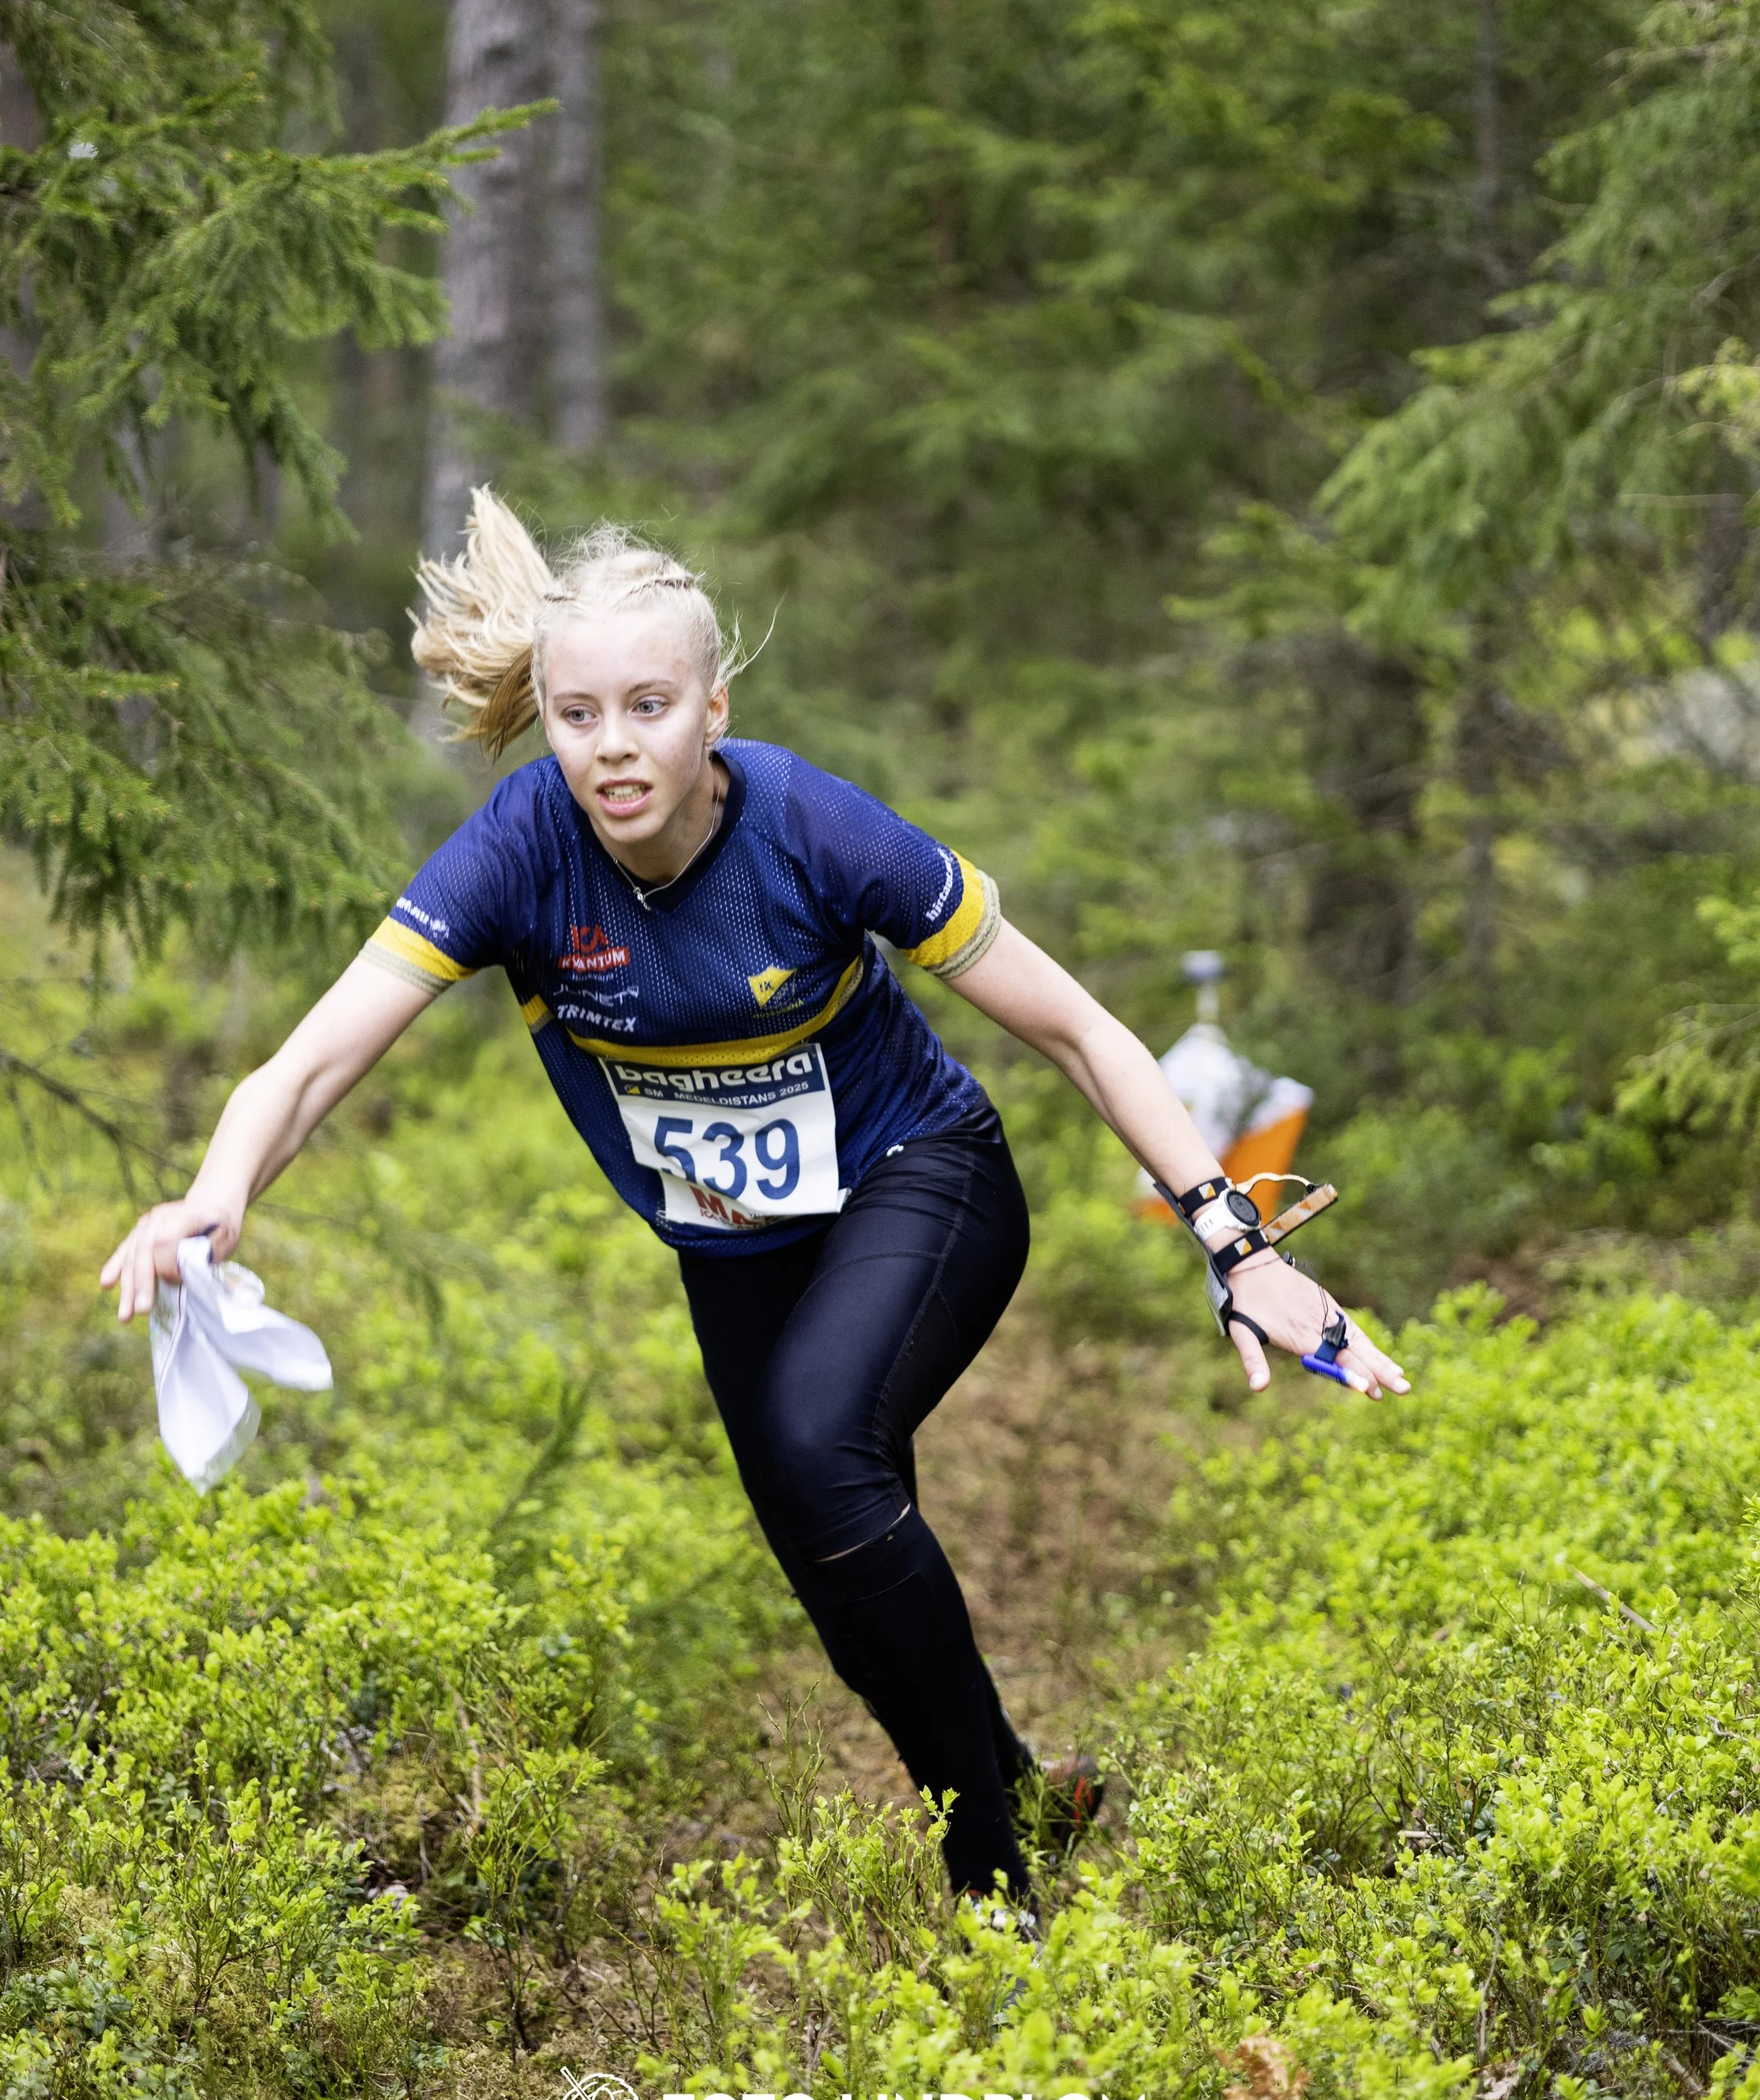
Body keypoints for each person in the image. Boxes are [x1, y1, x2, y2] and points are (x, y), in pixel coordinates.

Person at [100, 496, 1408, 1912]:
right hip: (733, 1250)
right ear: (547, 722)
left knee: (818, 1454)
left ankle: (994, 1891)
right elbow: (307, 1065)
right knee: (839, 1575)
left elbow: (1082, 1032)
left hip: (923, 1176)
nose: (613, 746)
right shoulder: (520, 850)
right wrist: (213, 1195)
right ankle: (1022, 1792)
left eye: (649, 706)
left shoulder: (810, 828)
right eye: (578, 714)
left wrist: (1231, 1237)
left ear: (712, 709)